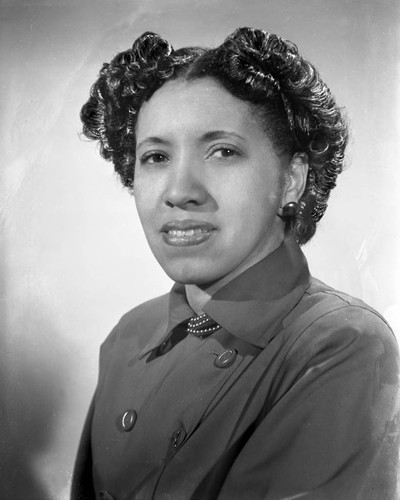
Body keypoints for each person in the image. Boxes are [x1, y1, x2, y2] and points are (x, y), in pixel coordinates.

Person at [71, 28, 399, 500]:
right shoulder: (128, 336)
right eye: (156, 156)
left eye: (222, 151)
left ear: (291, 180)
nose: (180, 190)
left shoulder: (343, 344)